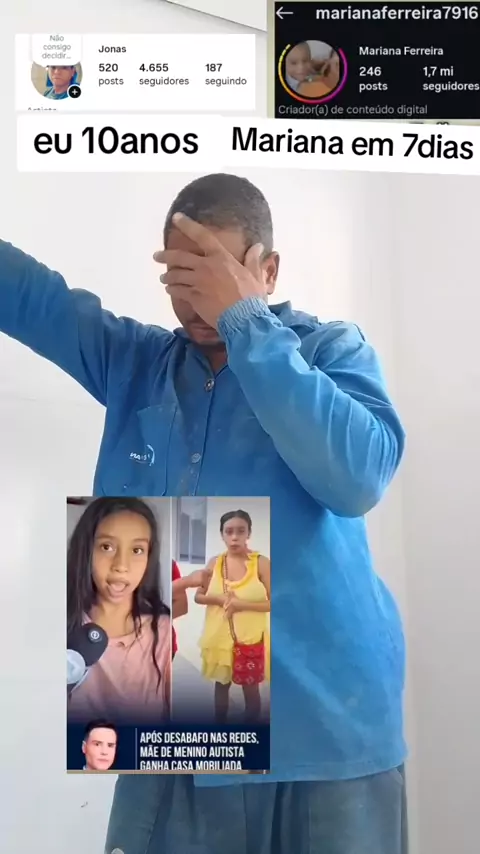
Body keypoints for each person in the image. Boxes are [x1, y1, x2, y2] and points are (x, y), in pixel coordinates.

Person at [0, 172, 407, 853]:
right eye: (178, 276)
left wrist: (247, 324)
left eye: (212, 274)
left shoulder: (330, 351)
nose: (193, 300)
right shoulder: (136, 363)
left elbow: (358, 480)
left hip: (324, 734)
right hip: (181, 727)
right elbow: (33, 297)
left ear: (266, 270)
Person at [67, 497, 171, 725]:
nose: (121, 565)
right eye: (107, 547)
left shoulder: (164, 631)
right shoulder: (60, 624)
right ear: (86, 551)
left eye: (137, 550)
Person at [195, 510, 270, 723]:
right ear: (222, 535)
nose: (234, 537)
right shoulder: (214, 563)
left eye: (240, 531)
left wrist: (240, 604)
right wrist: (219, 600)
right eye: (229, 532)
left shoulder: (261, 563)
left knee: (251, 691)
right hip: (219, 640)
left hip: (250, 639)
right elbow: (198, 596)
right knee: (221, 686)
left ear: (249, 533)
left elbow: (274, 603)